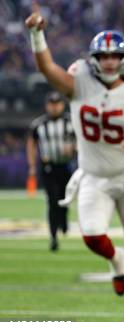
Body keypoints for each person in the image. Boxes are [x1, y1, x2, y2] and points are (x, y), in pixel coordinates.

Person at [25, 3, 124, 322]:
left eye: (114, 56)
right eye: (103, 56)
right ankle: (115, 259)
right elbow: (47, 69)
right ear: (93, 59)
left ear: (123, 59)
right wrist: (37, 35)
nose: (108, 61)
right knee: (93, 236)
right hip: (94, 176)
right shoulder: (80, 81)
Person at [26, 91, 76, 251]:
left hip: (67, 166)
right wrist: (32, 166)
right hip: (48, 167)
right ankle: (53, 237)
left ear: (62, 104)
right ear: (47, 106)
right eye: (51, 104)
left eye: (57, 104)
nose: (54, 108)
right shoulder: (38, 124)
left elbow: (82, 140)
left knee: (64, 199)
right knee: (52, 201)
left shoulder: (72, 121)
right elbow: (31, 144)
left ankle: (64, 221)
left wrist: (74, 148)